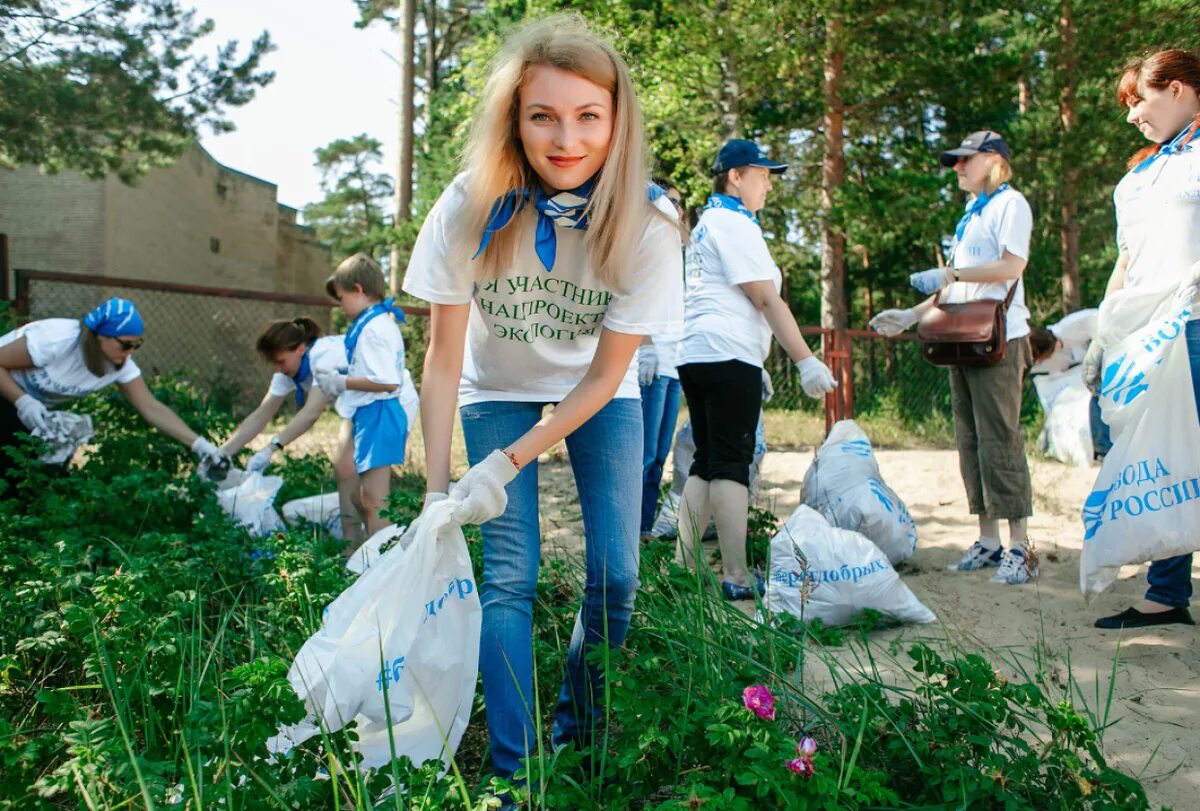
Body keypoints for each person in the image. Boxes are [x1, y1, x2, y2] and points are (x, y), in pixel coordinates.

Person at [401, 15, 683, 781]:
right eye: (543, 116)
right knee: (510, 572)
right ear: (513, 120)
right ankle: (513, 773)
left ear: (617, 121)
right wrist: (436, 488)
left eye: (589, 116)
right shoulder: (470, 205)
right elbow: (442, 355)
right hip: (496, 386)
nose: (567, 138)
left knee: (616, 575)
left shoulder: (651, 223)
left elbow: (601, 376)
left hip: (600, 391)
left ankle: (579, 736)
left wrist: (513, 461)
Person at [870, 129, 1037, 585]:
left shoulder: (1010, 204)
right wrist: (910, 315)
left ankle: (1020, 547)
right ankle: (988, 541)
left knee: (1000, 435)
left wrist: (951, 270)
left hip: (999, 337)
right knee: (970, 438)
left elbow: (1010, 266)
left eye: (965, 160)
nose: (958, 168)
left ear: (993, 160)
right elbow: (955, 287)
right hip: (963, 336)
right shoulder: (971, 212)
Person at [676, 138, 837, 601]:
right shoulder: (733, 223)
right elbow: (766, 298)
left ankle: (683, 566)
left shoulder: (711, 223)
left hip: (700, 353)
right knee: (731, 463)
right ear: (735, 176)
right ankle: (737, 575)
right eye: (762, 173)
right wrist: (805, 359)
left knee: (706, 461)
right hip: (727, 354)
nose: (768, 183)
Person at [1082, 49, 1200, 629]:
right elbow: (1126, 261)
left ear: (1177, 90)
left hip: (1197, 325)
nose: (1131, 117)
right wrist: (1105, 335)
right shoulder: (1139, 177)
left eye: (1139, 101)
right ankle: (1166, 594)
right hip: (1150, 337)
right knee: (1162, 460)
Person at [219, 317, 418, 543]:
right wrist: (222, 452)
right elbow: (262, 413)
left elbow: (311, 413)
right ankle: (352, 544)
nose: (278, 369)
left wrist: (271, 448)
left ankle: (386, 544)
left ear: (300, 349)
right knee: (345, 470)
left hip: (391, 401)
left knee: (368, 493)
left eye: (281, 361)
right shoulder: (291, 370)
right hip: (361, 407)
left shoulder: (322, 357)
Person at [0, 297, 228, 478]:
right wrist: (23, 400)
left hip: (23, 408)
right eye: (126, 345)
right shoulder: (56, 340)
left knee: (36, 472)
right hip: (8, 392)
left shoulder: (119, 366)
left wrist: (200, 445)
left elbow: (151, 408)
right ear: (101, 336)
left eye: (137, 345)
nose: (130, 353)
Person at [315, 253, 411, 545]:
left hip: (380, 413)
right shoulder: (373, 323)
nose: (340, 305)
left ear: (358, 290)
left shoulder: (374, 329)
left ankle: (384, 560)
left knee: (373, 499)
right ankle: (366, 548)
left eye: (342, 297)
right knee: (363, 494)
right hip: (369, 411)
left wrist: (340, 381)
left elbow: (387, 381)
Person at [637, 179, 688, 536]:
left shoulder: (677, 249)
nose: (677, 209)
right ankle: (632, 527)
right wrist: (645, 345)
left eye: (680, 203)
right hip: (650, 360)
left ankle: (644, 526)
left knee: (658, 456)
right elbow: (630, 291)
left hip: (674, 363)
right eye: (671, 201)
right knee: (641, 456)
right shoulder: (643, 242)